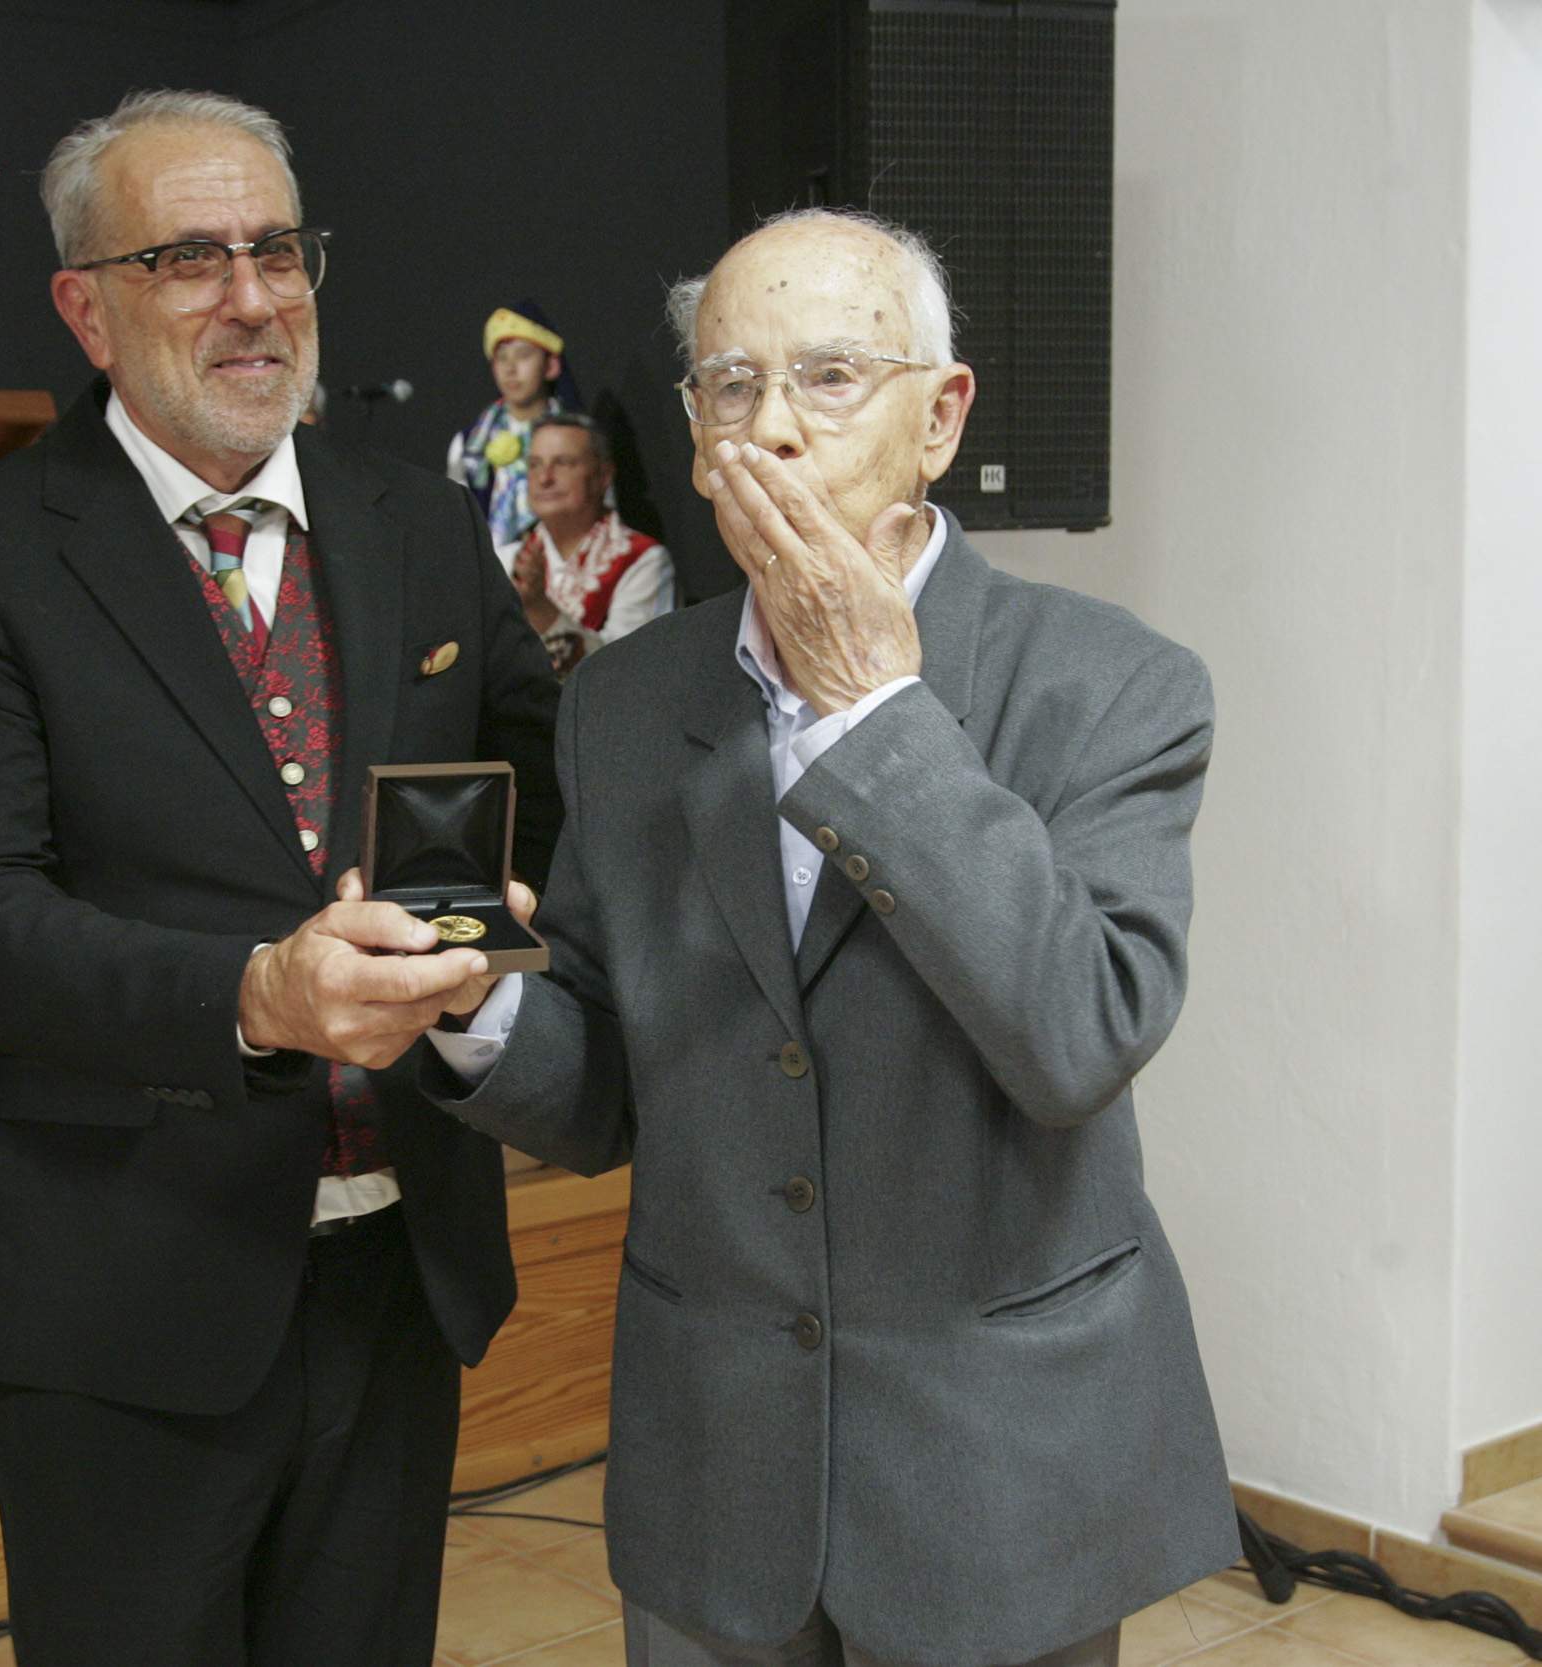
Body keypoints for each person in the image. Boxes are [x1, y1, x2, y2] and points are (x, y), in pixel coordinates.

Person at [422, 209, 1236, 1667]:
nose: (774, 428)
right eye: (731, 385)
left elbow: (1079, 1032)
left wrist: (870, 711)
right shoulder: (624, 702)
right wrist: (471, 1001)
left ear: (941, 418)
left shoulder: (1111, 684)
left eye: (831, 377)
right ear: (692, 433)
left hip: (995, 1463)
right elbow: (607, 1080)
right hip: (714, 1456)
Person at [0, 90, 561, 1667]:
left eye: (277, 249)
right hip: (129, 1294)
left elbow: (547, 788)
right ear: (86, 308)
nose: (251, 296)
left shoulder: (418, 521)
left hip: (404, 1268)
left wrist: (522, 917)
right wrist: (256, 994)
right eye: (189, 257)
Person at [500, 411, 676, 674]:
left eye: (562, 463)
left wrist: (542, 609)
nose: (544, 478)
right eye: (535, 464)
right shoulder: (505, 560)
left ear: (603, 476)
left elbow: (629, 672)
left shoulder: (643, 562)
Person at [445, 302, 574, 553]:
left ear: (551, 365)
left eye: (523, 355)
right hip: (491, 566)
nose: (510, 369)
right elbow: (455, 525)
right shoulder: (470, 444)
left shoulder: (575, 438)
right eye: (501, 357)